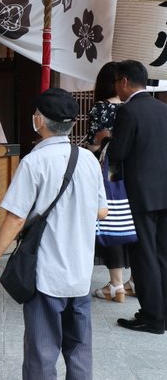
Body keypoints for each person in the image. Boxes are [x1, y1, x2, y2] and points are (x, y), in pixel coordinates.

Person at [0, 88, 107, 380]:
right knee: (79, 350)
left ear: (38, 120)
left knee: (41, 351)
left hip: (47, 274)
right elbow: (102, 212)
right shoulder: (88, 159)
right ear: (71, 124)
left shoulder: (34, 162)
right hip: (80, 272)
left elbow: (15, 218)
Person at [107, 60, 167, 334]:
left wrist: (108, 138)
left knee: (144, 257)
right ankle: (163, 312)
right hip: (164, 192)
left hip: (141, 195)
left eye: (117, 83)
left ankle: (152, 317)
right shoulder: (163, 109)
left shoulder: (128, 111)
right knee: (163, 254)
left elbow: (118, 153)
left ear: (124, 82)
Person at [86, 61, 134, 302]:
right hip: (132, 172)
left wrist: (101, 141)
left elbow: (93, 144)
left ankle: (116, 284)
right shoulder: (132, 106)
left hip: (108, 170)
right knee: (132, 220)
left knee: (111, 218)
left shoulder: (100, 108)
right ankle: (134, 280)